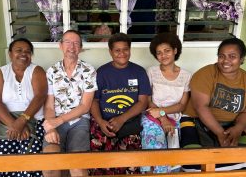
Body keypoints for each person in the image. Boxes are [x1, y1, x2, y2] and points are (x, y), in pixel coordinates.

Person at [181, 37, 246, 171]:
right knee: (193, 163)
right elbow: (201, 107)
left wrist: (238, 128)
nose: (226, 61)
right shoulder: (205, 74)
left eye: (232, 56)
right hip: (196, 121)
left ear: (242, 59)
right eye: (221, 56)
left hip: (232, 125)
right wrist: (220, 133)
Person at [90, 33, 151, 175]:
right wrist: (100, 121)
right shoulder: (102, 72)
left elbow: (143, 102)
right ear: (110, 52)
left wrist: (121, 119)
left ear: (130, 50)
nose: (122, 53)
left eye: (125, 49)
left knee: (130, 164)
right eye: (117, 50)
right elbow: (94, 100)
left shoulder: (139, 72)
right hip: (104, 122)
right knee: (101, 163)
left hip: (130, 122)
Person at [0, 38, 47, 177]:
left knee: (29, 163)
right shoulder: (0, 73)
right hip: (7, 121)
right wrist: (14, 125)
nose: (23, 54)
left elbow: (39, 97)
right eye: (19, 50)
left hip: (33, 120)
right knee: (3, 162)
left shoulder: (36, 71)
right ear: (10, 54)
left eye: (27, 51)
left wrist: (22, 121)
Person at [43, 30, 97, 177]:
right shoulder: (52, 71)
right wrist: (50, 128)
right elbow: (48, 106)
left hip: (79, 121)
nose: (71, 46)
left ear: (80, 47)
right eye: (67, 42)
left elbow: (85, 106)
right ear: (60, 45)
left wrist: (57, 121)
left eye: (76, 43)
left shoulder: (88, 70)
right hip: (55, 121)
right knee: (49, 165)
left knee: (77, 166)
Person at [141, 33, 191, 173]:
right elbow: (148, 101)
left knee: (173, 147)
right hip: (153, 115)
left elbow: (182, 105)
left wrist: (164, 114)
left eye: (167, 51)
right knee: (154, 141)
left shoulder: (186, 76)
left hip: (175, 117)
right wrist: (162, 118)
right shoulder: (151, 72)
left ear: (175, 50)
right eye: (159, 53)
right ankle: (150, 173)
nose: (163, 55)